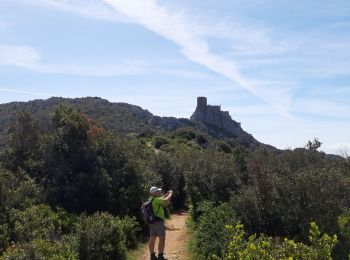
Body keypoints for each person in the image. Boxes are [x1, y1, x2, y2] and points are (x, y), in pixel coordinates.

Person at [148, 186, 174, 260]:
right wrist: (170, 194)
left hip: (152, 222)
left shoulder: (151, 199)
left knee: (152, 239)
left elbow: (161, 199)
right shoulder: (156, 200)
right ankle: (160, 256)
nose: (159, 192)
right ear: (154, 192)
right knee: (162, 238)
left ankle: (152, 255)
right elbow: (166, 200)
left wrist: (165, 195)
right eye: (157, 191)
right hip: (158, 222)